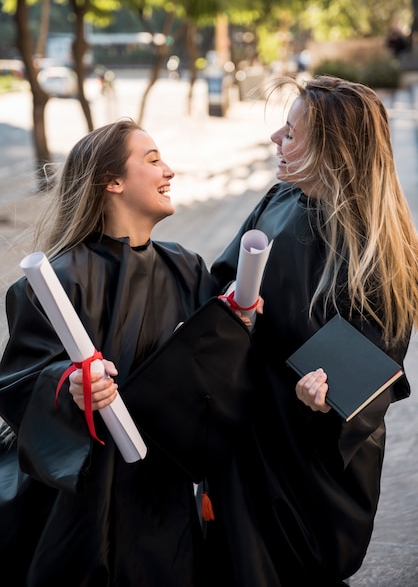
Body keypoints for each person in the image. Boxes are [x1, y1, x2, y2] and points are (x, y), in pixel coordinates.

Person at [0, 118, 255, 586]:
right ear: (112, 182)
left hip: (163, 498)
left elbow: (207, 376)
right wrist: (68, 383)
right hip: (82, 505)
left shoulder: (187, 268)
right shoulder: (54, 282)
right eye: (153, 160)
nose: (169, 171)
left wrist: (235, 324)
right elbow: (18, 384)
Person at [205, 75, 418, 586]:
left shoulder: (377, 248)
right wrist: (228, 312)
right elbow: (219, 284)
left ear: (332, 149)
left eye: (292, 132)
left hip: (312, 460)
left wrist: (329, 398)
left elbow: (370, 371)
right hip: (249, 435)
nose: (276, 138)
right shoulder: (276, 203)